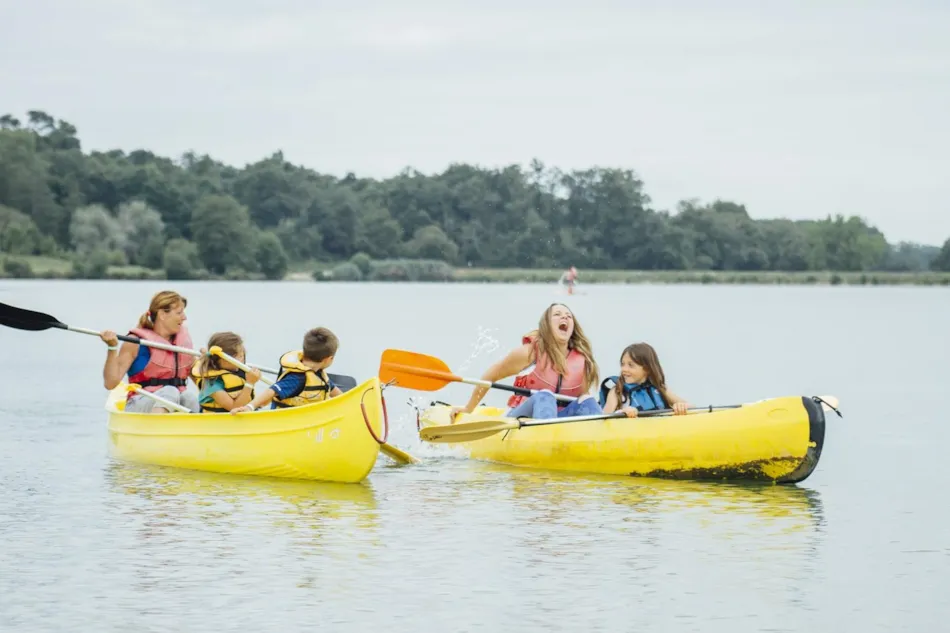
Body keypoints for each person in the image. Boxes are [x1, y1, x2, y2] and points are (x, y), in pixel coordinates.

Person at [449, 303, 602, 421]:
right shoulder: (530, 352)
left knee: (588, 401)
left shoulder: (583, 361)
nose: (565, 318)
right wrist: (469, 408)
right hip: (522, 419)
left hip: (560, 421)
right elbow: (491, 376)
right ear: (546, 325)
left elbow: (580, 399)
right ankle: (546, 440)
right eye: (557, 314)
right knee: (545, 396)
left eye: (569, 316)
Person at [100, 290, 198, 413]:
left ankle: (194, 430)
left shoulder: (183, 344)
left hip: (174, 399)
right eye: (179, 313)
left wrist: (211, 365)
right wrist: (112, 348)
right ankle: (157, 429)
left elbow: (201, 380)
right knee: (170, 391)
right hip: (140, 401)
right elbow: (110, 383)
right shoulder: (135, 342)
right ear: (162, 315)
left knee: (190, 398)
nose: (184, 317)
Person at [231, 327, 342, 413]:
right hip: (290, 424)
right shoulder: (297, 378)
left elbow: (336, 393)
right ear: (329, 359)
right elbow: (272, 391)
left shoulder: (318, 374)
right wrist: (250, 407)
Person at [598, 342, 690, 418]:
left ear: (646, 369)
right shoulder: (617, 391)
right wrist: (621, 413)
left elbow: (692, 408)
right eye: (622, 364)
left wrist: (681, 406)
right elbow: (603, 419)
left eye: (631, 365)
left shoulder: (660, 389)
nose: (624, 369)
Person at [190, 331, 262, 413]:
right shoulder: (212, 383)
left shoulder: (237, 372)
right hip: (220, 422)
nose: (243, 359)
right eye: (240, 356)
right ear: (224, 360)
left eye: (243, 355)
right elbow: (234, 408)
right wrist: (249, 383)